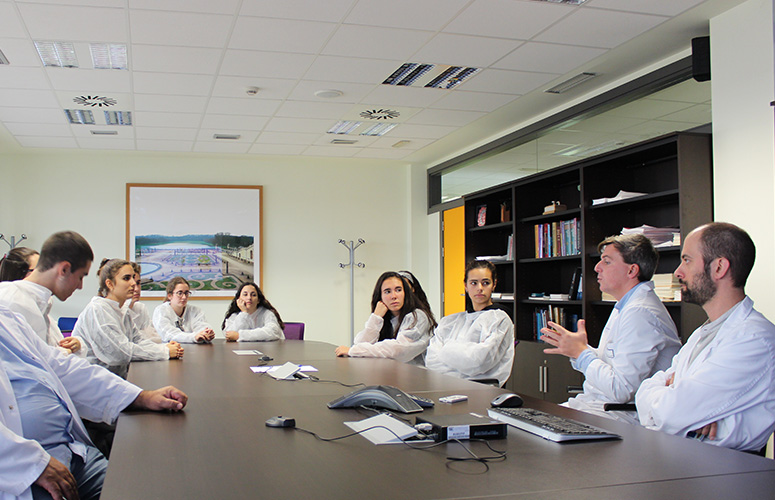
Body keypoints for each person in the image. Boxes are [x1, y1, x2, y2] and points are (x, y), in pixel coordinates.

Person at [0, 303, 188, 500]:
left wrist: (140, 397)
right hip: (24, 473)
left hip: (70, 453)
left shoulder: (8, 319)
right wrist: (33, 464)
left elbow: (62, 368)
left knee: (143, 489)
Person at [635, 223, 775, 451]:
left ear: (719, 267)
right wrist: (683, 409)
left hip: (724, 467)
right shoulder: (704, 332)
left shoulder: (754, 339)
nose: (678, 272)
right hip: (684, 456)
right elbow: (650, 396)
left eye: (687, 260)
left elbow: (671, 413)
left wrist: (676, 401)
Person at [541, 234, 681, 423]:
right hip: (599, 407)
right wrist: (576, 350)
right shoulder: (626, 305)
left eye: (607, 262)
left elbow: (621, 389)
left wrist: (582, 354)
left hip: (621, 417)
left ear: (632, 270)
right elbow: (612, 364)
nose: (597, 267)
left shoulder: (640, 312)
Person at [74, 259, 183, 379]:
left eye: (133, 278)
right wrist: (164, 352)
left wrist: (164, 347)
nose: (133, 283)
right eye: (126, 278)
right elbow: (119, 353)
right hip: (93, 381)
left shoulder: (122, 311)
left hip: (115, 379)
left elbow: (139, 340)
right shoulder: (98, 310)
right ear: (110, 284)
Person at [425, 260, 515, 386]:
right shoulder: (450, 321)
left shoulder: (500, 319)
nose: (480, 288)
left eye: (485, 283)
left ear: (494, 285)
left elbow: (479, 362)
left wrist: (446, 348)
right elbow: (431, 361)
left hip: (482, 389)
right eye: (474, 283)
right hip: (446, 387)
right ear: (466, 286)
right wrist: (462, 360)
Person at [0, 233, 86, 356]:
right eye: (40, 269)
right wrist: (66, 352)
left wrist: (76, 344)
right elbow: (33, 357)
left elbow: (52, 347)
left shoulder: (42, 308)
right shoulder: (13, 301)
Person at [335, 271, 434, 364]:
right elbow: (360, 343)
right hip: (390, 372)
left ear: (406, 293)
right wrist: (376, 317)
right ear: (380, 296)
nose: (393, 296)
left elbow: (399, 350)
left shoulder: (418, 316)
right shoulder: (388, 318)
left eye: (398, 290)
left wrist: (353, 351)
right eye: (387, 291)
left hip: (416, 374)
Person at [152, 277, 215, 344]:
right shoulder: (161, 311)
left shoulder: (195, 311)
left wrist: (206, 333)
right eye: (180, 293)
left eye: (186, 293)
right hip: (168, 348)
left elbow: (202, 327)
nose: (184, 297)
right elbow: (169, 334)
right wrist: (194, 337)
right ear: (170, 295)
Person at [123, 262, 162, 343]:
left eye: (138, 283)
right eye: (131, 284)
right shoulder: (114, 311)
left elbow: (153, 337)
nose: (136, 289)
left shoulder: (140, 308)